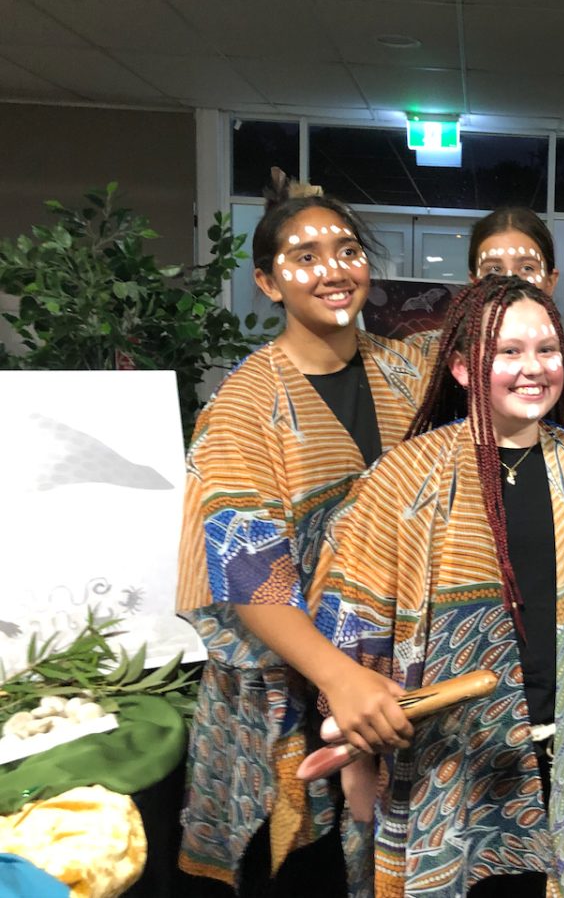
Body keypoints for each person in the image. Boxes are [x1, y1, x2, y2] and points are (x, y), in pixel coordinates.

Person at [308, 274, 564, 897]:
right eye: (507, 352)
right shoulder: (403, 477)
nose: (533, 368)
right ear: (460, 366)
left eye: (546, 349)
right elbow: (354, 632)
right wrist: (357, 774)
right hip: (447, 764)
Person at [176, 171, 433, 895]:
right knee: (306, 877)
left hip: (391, 676)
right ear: (267, 282)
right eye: (305, 254)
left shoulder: (407, 369)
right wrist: (338, 677)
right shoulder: (244, 405)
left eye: (347, 249)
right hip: (292, 688)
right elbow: (247, 576)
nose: (332, 269)